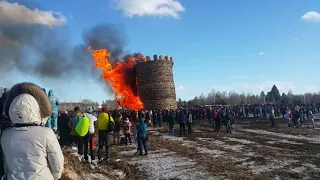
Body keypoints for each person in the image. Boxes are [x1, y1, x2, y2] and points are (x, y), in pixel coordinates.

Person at [1, 82, 64, 180]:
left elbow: (6, 165)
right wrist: (55, 177)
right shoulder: (46, 133)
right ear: (35, 109)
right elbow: (57, 162)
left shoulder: (5, 135)